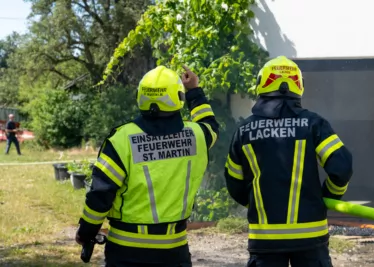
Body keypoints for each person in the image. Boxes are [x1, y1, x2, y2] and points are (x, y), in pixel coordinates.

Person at [75, 65, 219, 267]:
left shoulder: (121, 139)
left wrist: (86, 231)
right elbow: (211, 125)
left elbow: (101, 194)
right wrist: (194, 91)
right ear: (178, 97)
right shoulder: (197, 135)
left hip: (126, 252)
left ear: (141, 96)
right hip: (174, 250)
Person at [224, 56, 353, 267]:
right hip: (311, 238)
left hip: (265, 240)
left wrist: (259, 201)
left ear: (262, 83)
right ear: (298, 85)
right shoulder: (314, 124)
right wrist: (328, 196)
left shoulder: (244, 131)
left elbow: (234, 182)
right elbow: (342, 167)